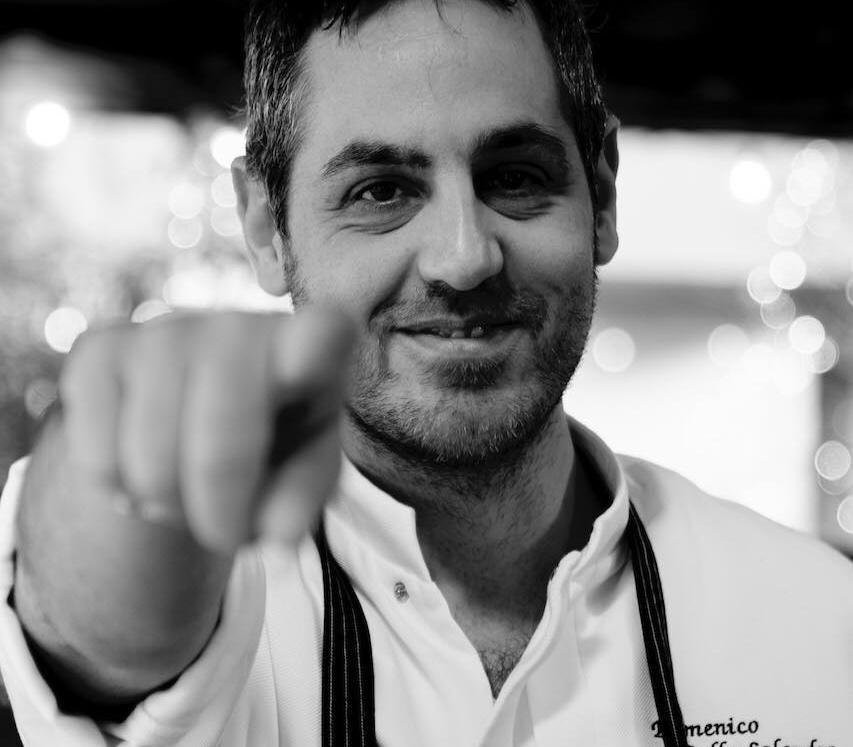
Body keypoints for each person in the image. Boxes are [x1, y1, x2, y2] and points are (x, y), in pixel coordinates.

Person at [0, 0, 851, 744]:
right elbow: (96, 624)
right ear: (266, 227)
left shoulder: (819, 620)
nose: (463, 257)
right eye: (380, 190)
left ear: (600, 196)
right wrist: (123, 468)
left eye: (514, 177)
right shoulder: (214, 573)